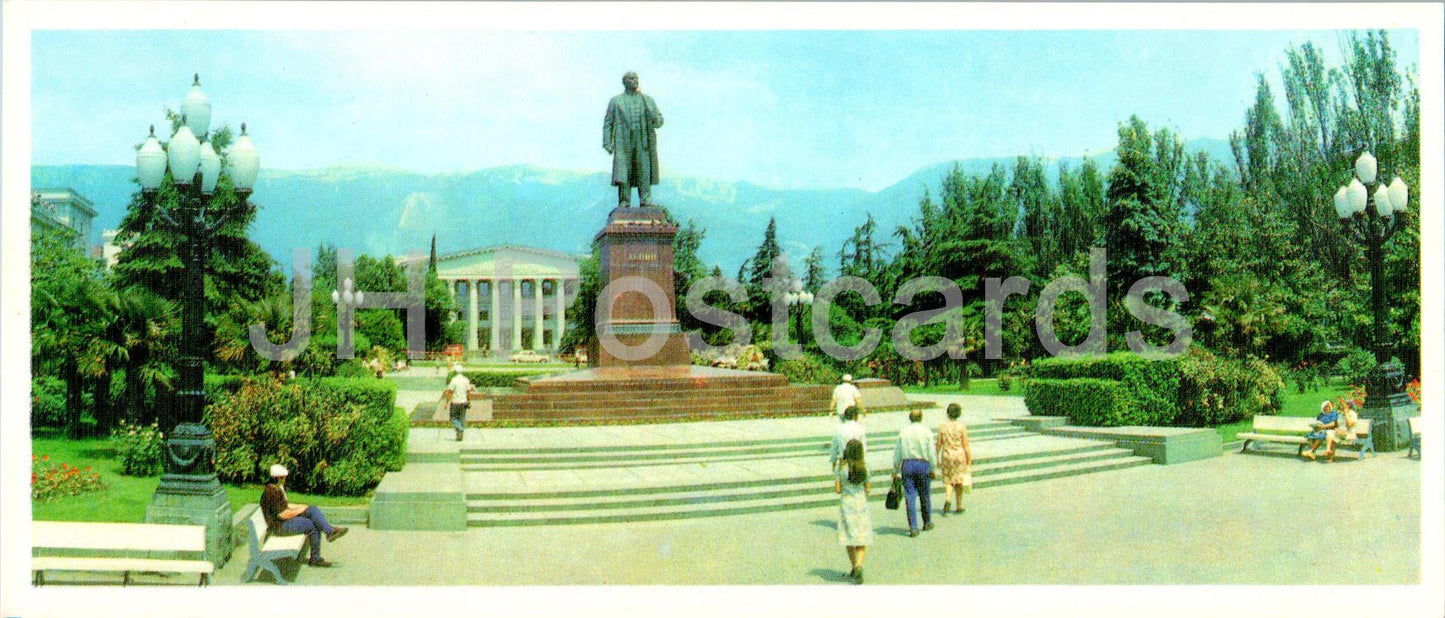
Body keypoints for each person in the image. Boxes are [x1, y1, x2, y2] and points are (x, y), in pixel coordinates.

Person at [260, 464, 347, 568]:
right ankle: (316, 558)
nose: (285, 479)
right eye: (283, 477)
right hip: (279, 527)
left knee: (312, 509)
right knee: (312, 525)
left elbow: (285, 506)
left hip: (282, 523)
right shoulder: (271, 492)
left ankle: (330, 531)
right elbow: (283, 514)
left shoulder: (276, 489)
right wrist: (300, 510)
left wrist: (302, 506)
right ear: (277, 478)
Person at [603, 71, 664, 208]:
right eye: (631, 78)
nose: (635, 81)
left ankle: (646, 199)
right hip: (623, 142)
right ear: (625, 82)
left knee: (643, 169)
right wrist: (607, 142)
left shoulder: (647, 100)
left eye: (636, 78)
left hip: (643, 141)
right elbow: (608, 123)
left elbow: (659, 121)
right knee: (624, 171)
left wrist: (655, 117)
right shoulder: (616, 101)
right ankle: (624, 200)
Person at [892, 408, 936, 537]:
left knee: (910, 496)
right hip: (923, 464)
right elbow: (931, 452)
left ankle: (913, 527)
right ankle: (927, 522)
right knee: (925, 495)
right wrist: (933, 468)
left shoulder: (903, 432)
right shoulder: (927, 432)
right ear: (921, 418)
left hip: (908, 464)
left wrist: (895, 469)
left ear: (910, 418)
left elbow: (898, 453)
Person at [835, 439, 873, 585]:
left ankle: (854, 566)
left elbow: (838, 489)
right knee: (862, 536)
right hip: (861, 502)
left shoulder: (842, 469)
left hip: (847, 503)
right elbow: (868, 488)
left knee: (848, 535)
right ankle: (859, 566)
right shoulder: (865, 468)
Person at [935, 403, 973, 515]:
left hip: (947, 455)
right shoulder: (961, 427)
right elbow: (965, 445)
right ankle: (959, 505)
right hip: (959, 456)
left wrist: (936, 457)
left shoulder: (942, 426)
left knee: (948, 479)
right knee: (959, 481)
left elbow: (939, 443)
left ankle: (947, 499)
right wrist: (969, 461)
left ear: (948, 413)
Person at [829, 406, 867, 472]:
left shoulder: (839, 430)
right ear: (855, 416)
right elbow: (864, 448)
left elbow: (834, 449)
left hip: (844, 462)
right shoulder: (860, 429)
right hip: (858, 463)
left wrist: (834, 464)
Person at [445, 365, 475, 441]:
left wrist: (446, 402)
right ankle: (460, 434)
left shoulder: (453, 380)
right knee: (462, 418)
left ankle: (460, 430)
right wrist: (470, 401)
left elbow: (450, 392)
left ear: (455, 372)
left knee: (453, 418)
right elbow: (468, 392)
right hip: (464, 402)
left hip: (455, 402)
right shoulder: (466, 380)